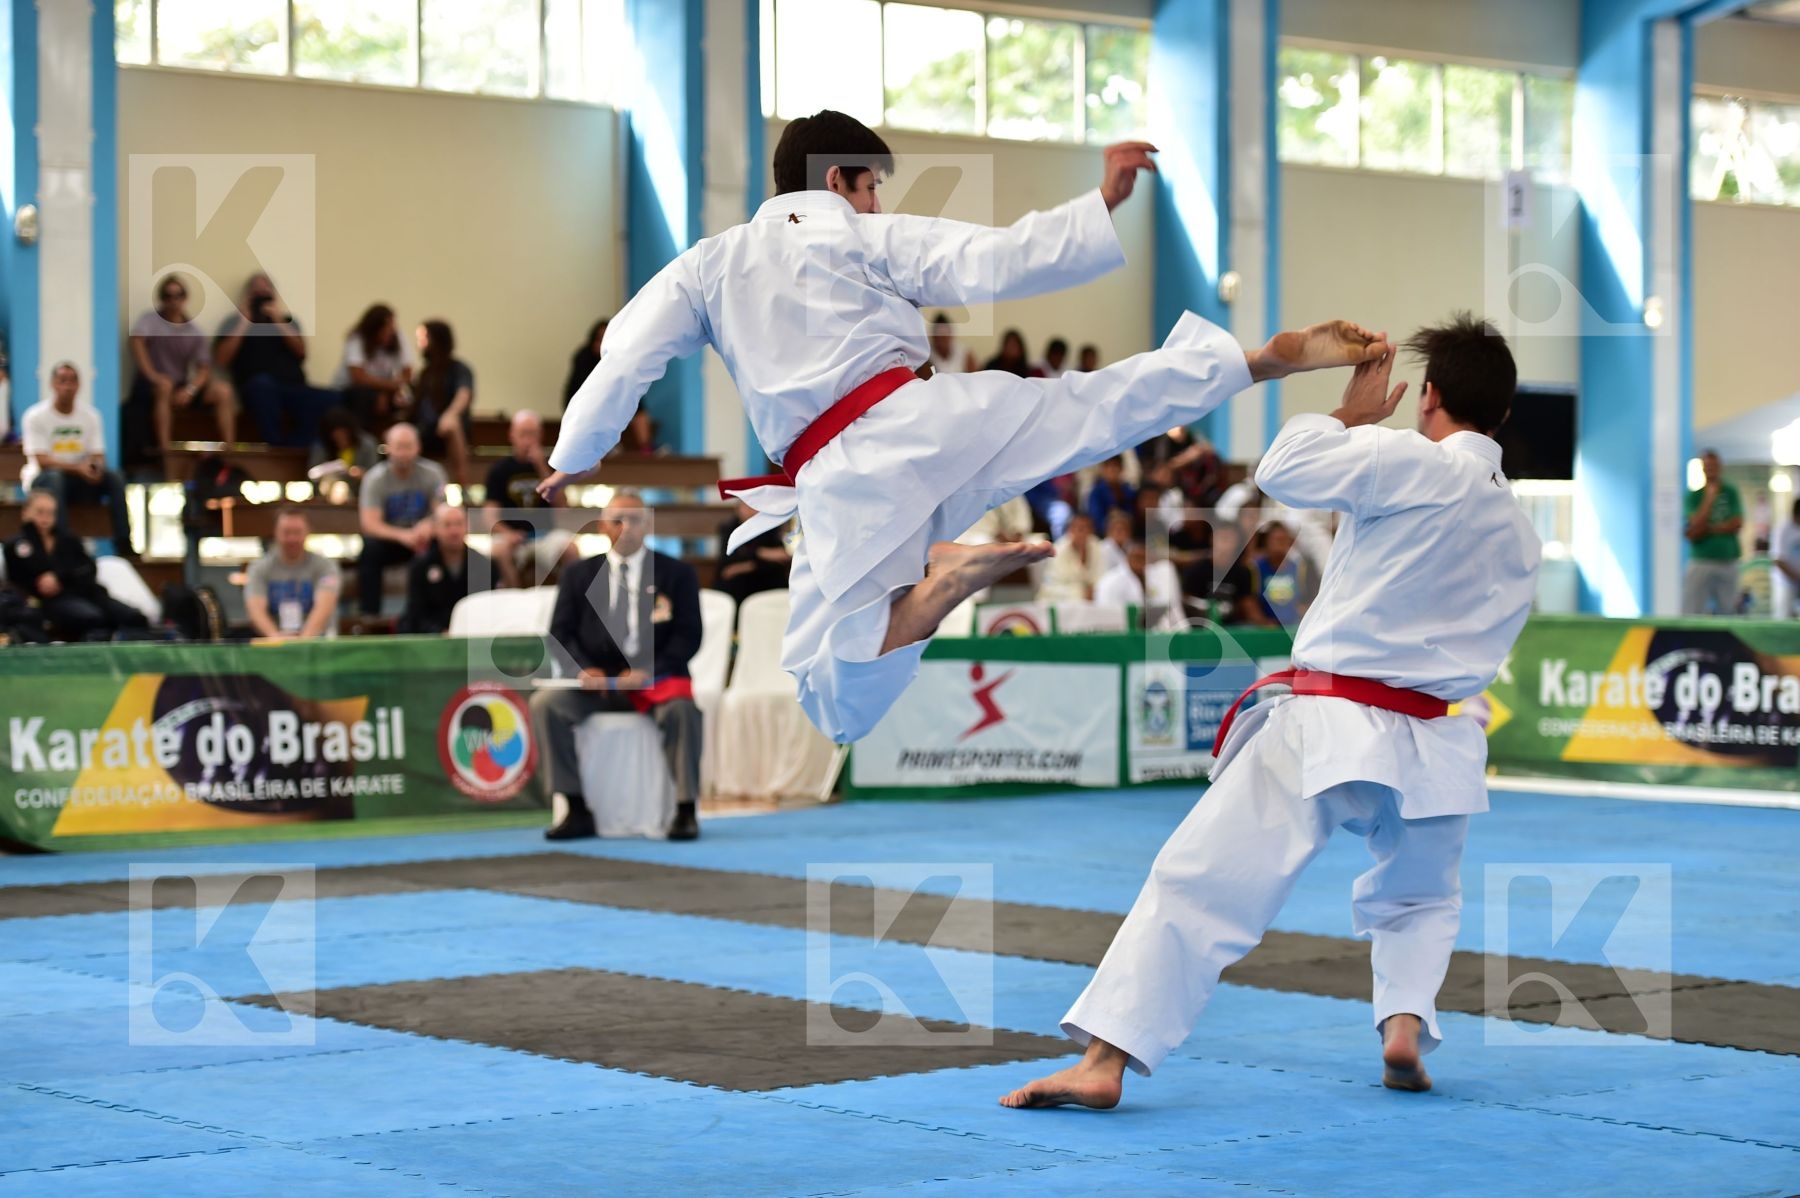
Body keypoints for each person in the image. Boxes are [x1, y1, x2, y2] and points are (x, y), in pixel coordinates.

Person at [544, 109, 1387, 745]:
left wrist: (570, 457)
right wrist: (1098, 205)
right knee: (1094, 406)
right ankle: (1258, 359)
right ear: (838, 179)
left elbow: (624, 360)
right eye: (872, 184)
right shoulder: (861, 236)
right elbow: (994, 260)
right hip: (938, 415)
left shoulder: (705, 265)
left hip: (842, 475)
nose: (877, 201)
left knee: (830, 700)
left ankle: (935, 588)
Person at [1000, 314, 1541, 1111]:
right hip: (1437, 738)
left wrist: (1351, 416)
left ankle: (1106, 1060)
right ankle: (1403, 1025)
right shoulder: (1520, 532)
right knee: (1421, 894)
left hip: (1332, 720)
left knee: (1201, 882)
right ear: (1499, 412)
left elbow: (1284, 469)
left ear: (1428, 397)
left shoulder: (1411, 463)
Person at [531, 492, 703, 841]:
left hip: (655, 683)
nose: (625, 528)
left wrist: (650, 671)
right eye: (617, 520)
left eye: (634, 519)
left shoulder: (677, 574)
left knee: (683, 712)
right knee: (545, 706)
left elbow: (689, 635)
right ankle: (575, 807)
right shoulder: (578, 575)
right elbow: (559, 633)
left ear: (648, 524)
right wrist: (582, 670)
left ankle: (685, 810)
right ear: (603, 526)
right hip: (597, 686)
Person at [213, 273, 338, 447]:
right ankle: (276, 444)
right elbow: (221, 360)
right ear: (248, 296)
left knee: (331, 397)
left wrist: (278, 320)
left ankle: (298, 443)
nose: (262, 298)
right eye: (257, 293)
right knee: (262, 384)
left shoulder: (287, 322)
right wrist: (244, 322)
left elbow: (301, 352)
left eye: (266, 293)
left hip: (292, 387)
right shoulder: (233, 322)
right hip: (257, 389)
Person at [20, 362, 133, 553]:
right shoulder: (35, 416)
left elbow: (98, 455)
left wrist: (94, 468)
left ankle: (124, 541)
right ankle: (63, 543)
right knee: (56, 477)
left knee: (115, 476)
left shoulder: (91, 415)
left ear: (79, 385)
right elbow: (42, 461)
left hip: (80, 480)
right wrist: (78, 467)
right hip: (45, 480)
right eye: (62, 381)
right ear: (53, 384)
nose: (67, 386)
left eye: (72, 381)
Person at [5, 489, 148, 639]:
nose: (45, 518)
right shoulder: (15, 546)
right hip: (52, 601)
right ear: (26, 513)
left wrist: (59, 577)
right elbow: (17, 582)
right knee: (91, 618)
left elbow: (88, 568)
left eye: (50, 513)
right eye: (39, 512)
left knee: (134, 617)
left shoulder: (68, 539)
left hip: (88, 593)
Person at [128, 273, 235, 460]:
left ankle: (230, 451)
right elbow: (136, 344)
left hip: (180, 385)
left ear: (184, 298)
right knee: (165, 385)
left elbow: (204, 367)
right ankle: (166, 453)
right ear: (162, 299)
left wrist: (191, 390)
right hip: (151, 386)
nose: (173, 301)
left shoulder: (194, 331)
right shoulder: (150, 321)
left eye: (177, 295)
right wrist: (154, 376)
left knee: (223, 390)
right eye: (168, 296)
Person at [356, 423, 446, 614]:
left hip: (423, 539)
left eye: (408, 446)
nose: (404, 452)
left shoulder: (434, 473)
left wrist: (428, 526)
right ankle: (370, 616)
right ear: (388, 448)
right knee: (369, 550)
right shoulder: (375, 479)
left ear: (418, 447)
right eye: (399, 446)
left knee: (444, 544)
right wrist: (403, 536)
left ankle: (437, 615)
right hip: (390, 540)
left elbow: (442, 512)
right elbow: (370, 524)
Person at [483, 410, 567, 589]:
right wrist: (506, 533)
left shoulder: (552, 467)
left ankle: (567, 600)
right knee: (499, 551)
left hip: (546, 535)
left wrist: (541, 466)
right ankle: (513, 599)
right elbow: (489, 516)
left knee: (570, 549)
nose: (528, 440)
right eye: (523, 434)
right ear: (512, 435)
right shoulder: (499, 470)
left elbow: (562, 505)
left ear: (541, 435)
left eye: (533, 434)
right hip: (512, 537)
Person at [244, 508, 342, 640]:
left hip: (318, 642)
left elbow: (324, 607)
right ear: (276, 533)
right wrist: (275, 637)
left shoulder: (327, 567)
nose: (292, 538)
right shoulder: (258, 569)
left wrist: (303, 641)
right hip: (275, 645)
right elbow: (256, 610)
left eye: (297, 532)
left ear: (307, 532)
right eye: (286, 532)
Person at [400, 504, 488, 634]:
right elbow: (416, 613)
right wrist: (440, 632)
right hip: (431, 640)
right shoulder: (420, 567)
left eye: (459, 524)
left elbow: (487, 609)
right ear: (435, 529)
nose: (454, 531)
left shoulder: (484, 565)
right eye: (447, 525)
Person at [413, 320, 474, 487]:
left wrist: (451, 414)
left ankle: (463, 483)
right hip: (424, 430)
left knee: (451, 425)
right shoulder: (425, 373)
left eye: (423, 338)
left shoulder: (458, 369)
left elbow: (464, 394)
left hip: (447, 430)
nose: (419, 344)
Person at [1683, 449, 1743, 615]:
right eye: (1707, 466)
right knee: (1692, 608)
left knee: (1728, 609)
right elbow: (1694, 526)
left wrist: (1706, 529)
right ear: (1702, 468)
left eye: (1714, 465)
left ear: (1720, 467)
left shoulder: (1731, 492)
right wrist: (1709, 498)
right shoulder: (1694, 496)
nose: (1711, 469)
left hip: (1727, 560)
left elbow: (1736, 524)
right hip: (1701, 559)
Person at [335, 304, 415, 426]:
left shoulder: (397, 336)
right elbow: (358, 377)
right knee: (364, 397)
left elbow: (407, 372)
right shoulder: (357, 338)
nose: (390, 332)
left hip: (383, 389)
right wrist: (389, 387)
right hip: (349, 391)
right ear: (374, 329)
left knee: (407, 400)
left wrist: (386, 392)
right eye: (385, 328)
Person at [714, 499, 792, 607]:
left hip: (766, 576)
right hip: (740, 582)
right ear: (737, 509)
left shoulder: (770, 527)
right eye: (746, 507)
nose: (750, 511)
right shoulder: (729, 528)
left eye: (754, 507)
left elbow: (781, 557)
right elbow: (728, 563)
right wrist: (762, 554)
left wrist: (751, 559)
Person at [309, 406, 382, 494]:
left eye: (343, 433)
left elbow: (375, 476)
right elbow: (313, 474)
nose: (340, 437)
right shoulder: (322, 446)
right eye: (335, 435)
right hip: (327, 493)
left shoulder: (367, 444)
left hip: (359, 493)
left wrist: (360, 474)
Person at [1039, 512, 1108, 602]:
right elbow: (1052, 587)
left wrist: (1095, 591)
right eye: (1079, 528)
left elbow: (1103, 577)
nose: (1082, 532)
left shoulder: (1097, 546)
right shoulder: (1059, 549)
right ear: (1070, 530)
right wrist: (1081, 593)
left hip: (1092, 599)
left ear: (1092, 530)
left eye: (1086, 528)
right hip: (1063, 599)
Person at [1086, 454, 1137, 533]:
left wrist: (1120, 517)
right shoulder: (1096, 493)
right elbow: (1096, 519)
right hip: (1103, 536)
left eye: (1115, 466)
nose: (1112, 470)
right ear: (1103, 470)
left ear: (1121, 468)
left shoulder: (1128, 491)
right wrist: (1112, 521)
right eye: (1108, 466)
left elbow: (1133, 515)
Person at [564, 319, 609, 406]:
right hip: (579, 405)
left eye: (606, 339)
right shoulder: (583, 357)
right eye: (599, 339)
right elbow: (584, 389)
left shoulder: (616, 359)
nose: (602, 344)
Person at [1772, 497, 1800, 617]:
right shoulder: (1783, 530)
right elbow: (1779, 560)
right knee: (1784, 616)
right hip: (1785, 582)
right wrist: (1797, 576)